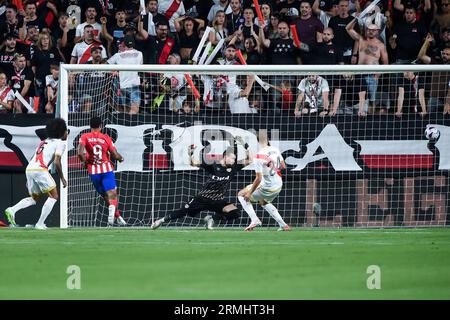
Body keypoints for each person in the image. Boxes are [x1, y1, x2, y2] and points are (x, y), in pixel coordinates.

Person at [151, 137, 252, 230]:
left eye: (234, 159)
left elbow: (250, 159)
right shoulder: (213, 165)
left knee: (236, 213)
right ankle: (160, 221)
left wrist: (245, 145)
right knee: (183, 211)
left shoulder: (233, 168)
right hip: (202, 199)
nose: (234, 160)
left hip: (217, 201)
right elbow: (193, 163)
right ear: (224, 157)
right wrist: (190, 153)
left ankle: (211, 218)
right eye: (232, 158)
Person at [4, 118, 68, 229]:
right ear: (61, 131)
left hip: (30, 169)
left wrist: (29, 177)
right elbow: (57, 161)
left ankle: (12, 210)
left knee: (34, 198)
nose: (67, 132)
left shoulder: (43, 142)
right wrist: (62, 178)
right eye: (66, 130)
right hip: (40, 169)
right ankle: (40, 224)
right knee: (54, 196)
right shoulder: (60, 143)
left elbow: (34, 158)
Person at [77, 117, 126, 226]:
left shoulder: (85, 137)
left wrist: (84, 162)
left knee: (105, 195)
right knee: (112, 194)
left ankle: (116, 217)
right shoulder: (106, 138)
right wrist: (121, 158)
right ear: (101, 126)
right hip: (106, 169)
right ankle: (114, 214)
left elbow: (80, 153)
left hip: (93, 171)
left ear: (90, 126)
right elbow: (114, 154)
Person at [238, 131, 290, 232]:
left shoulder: (259, 156)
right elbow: (283, 166)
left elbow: (258, 179)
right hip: (278, 184)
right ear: (268, 139)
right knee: (263, 201)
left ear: (257, 141)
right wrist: (273, 168)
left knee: (241, 194)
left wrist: (249, 193)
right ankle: (283, 225)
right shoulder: (275, 149)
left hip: (268, 186)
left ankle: (254, 220)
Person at [107, 35, 143, 114]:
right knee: (134, 109)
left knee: (126, 110)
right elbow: (140, 68)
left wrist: (115, 70)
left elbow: (106, 65)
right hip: (134, 86)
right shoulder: (140, 54)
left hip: (123, 87)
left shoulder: (117, 56)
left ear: (124, 44)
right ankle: (131, 126)